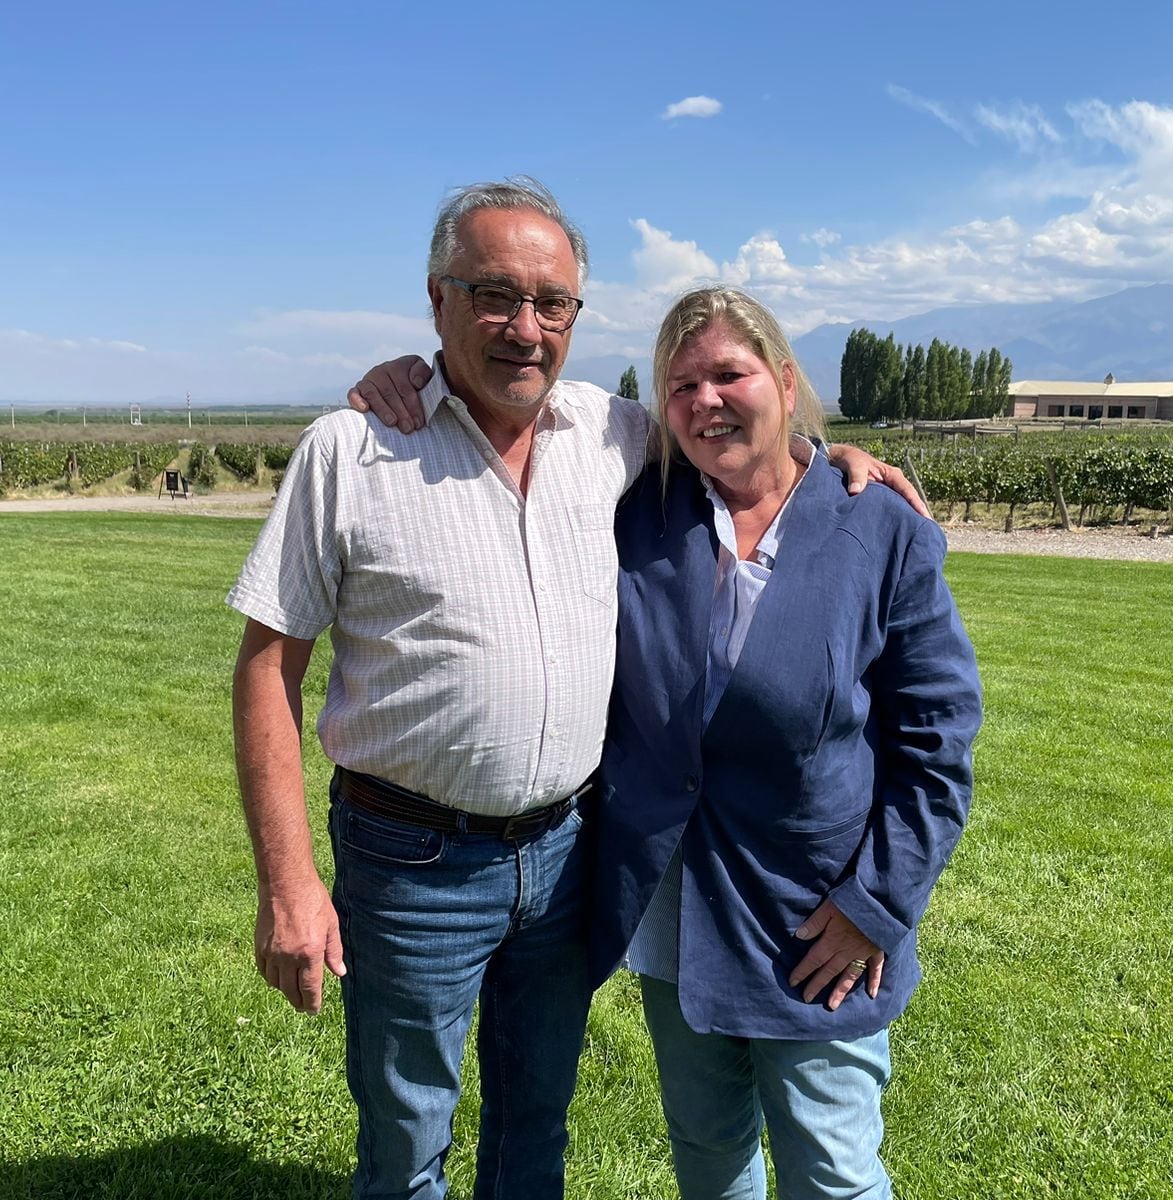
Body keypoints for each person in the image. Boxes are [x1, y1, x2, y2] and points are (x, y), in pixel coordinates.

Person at [230, 178, 921, 1200]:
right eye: (493, 296)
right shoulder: (356, 449)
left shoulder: (615, 436)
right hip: (408, 859)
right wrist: (289, 887)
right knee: (405, 1133)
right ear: (439, 300)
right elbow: (264, 668)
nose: (525, 328)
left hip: (565, 854)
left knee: (534, 1123)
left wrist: (832, 465)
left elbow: (741, 437)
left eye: (552, 304)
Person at [589, 286, 982, 1199]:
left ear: (787, 377)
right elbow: (521, 415)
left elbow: (938, 742)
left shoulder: (878, 528)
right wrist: (412, 376)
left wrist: (877, 905)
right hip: (676, 911)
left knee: (832, 1173)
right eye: (680, 384)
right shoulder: (644, 509)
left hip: (815, 921)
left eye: (730, 373)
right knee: (709, 1158)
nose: (704, 401)